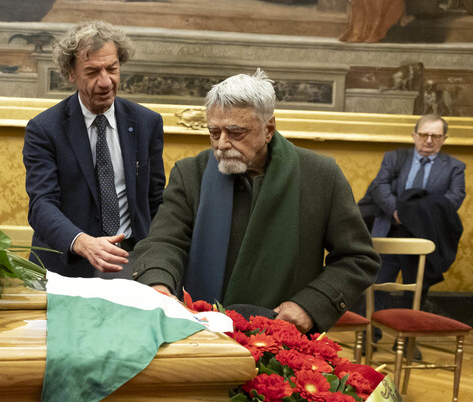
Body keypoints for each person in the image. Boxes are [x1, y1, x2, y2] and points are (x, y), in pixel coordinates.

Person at [133, 70, 380, 333]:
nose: (222, 144)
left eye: (235, 132)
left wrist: (310, 305)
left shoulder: (320, 176)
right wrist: (158, 284)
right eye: (214, 132)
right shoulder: (191, 173)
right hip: (199, 329)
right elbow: (165, 241)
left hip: (282, 339)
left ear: (268, 129)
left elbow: (357, 258)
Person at [23, 20, 165, 278]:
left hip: (131, 262)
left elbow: (155, 200)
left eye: (112, 69)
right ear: (70, 74)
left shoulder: (146, 123)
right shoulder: (44, 129)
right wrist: (82, 242)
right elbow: (42, 205)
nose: (105, 82)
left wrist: (159, 259)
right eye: (92, 72)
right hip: (66, 265)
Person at [362, 114, 465, 325]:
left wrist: (415, 217)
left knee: (416, 291)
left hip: (425, 237)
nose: (429, 140)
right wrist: (397, 212)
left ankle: (408, 338)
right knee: (378, 285)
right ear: (414, 136)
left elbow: (453, 200)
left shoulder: (454, 167)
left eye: (435, 136)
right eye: (424, 134)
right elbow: (379, 186)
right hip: (390, 231)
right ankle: (370, 335)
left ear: (444, 138)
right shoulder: (394, 158)